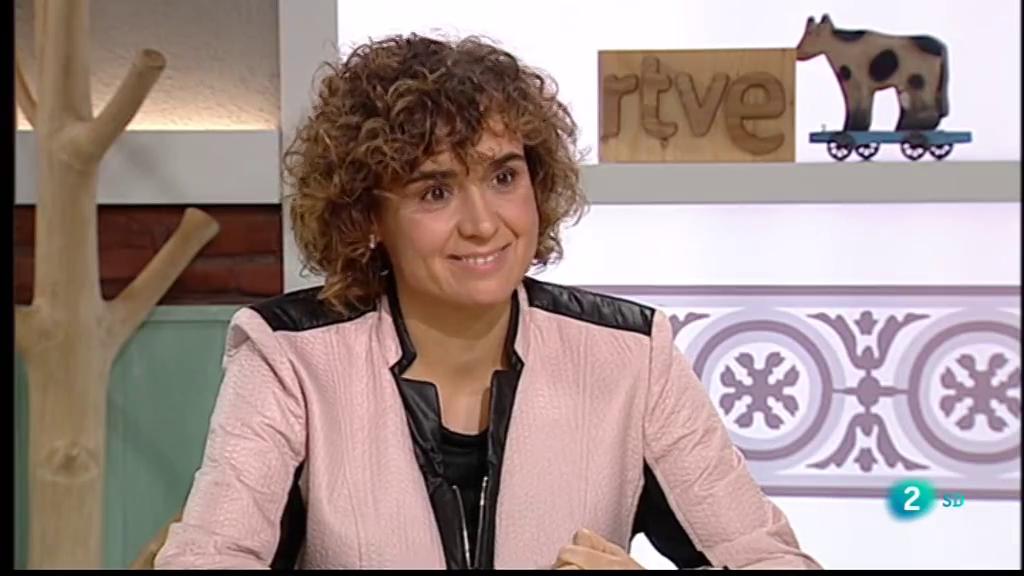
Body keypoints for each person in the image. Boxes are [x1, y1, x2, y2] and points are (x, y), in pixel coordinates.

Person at [154, 33, 821, 570]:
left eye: (504, 176)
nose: (483, 223)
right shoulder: (288, 358)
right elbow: (209, 556)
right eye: (435, 191)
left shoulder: (632, 355)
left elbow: (771, 560)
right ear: (368, 217)